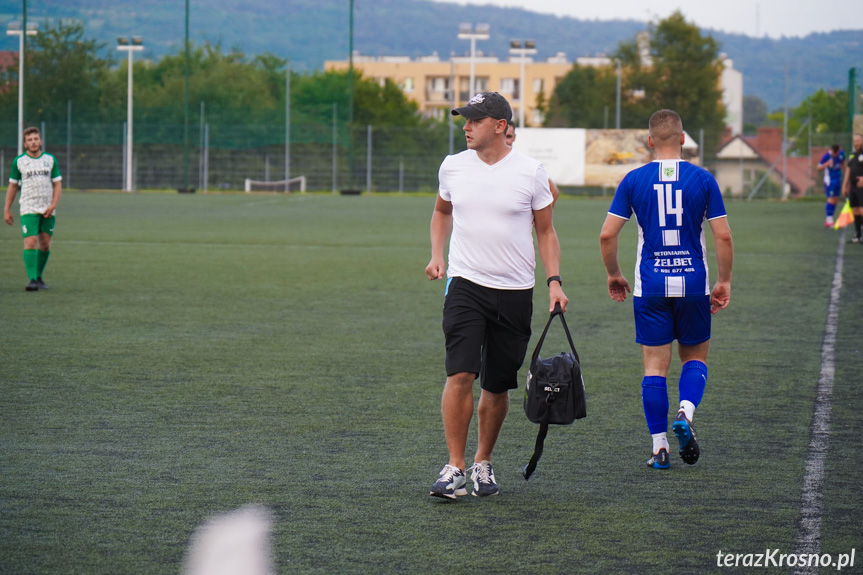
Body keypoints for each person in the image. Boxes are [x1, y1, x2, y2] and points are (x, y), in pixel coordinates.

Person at [425, 92, 568, 498]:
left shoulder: (531, 172)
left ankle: (482, 462)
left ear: (501, 126)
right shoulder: (452, 166)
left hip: (516, 291)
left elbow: (546, 231)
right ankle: (453, 467)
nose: (466, 126)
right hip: (465, 284)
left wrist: (554, 281)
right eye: (465, 120)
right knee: (460, 373)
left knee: (497, 384)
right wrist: (437, 254)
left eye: (475, 120)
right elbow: (441, 211)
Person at [599, 109, 733, 470]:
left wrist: (614, 273)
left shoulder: (634, 179)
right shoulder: (703, 179)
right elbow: (722, 235)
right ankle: (685, 414)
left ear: (649, 141)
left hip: (651, 285)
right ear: (684, 139)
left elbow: (607, 234)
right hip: (693, 283)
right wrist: (724, 281)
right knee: (695, 359)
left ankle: (660, 448)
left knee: (655, 369)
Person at [4, 127, 63, 291]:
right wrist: (6, 209)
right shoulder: (19, 161)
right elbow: (13, 186)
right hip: (28, 207)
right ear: (25, 143)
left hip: (48, 208)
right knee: (30, 241)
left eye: (36, 139)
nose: (33, 142)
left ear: (41, 141)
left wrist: (53, 205)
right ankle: (32, 280)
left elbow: (57, 184)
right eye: (30, 140)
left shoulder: (50, 160)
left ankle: (38, 277)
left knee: (45, 244)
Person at [505, 123, 560, 207]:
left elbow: (554, 191)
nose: (505, 140)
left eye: (508, 136)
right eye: (503, 136)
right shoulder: (483, 161)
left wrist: (537, 219)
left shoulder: (524, 163)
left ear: (514, 137)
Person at [816, 144, 845, 227]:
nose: (834, 155)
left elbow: (843, 164)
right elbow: (818, 168)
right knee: (831, 199)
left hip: (838, 179)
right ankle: (828, 220)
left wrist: (846, 175)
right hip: (829, 180)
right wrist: (827, 164)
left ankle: (831, 217)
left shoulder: (841, 154)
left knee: (836, 199)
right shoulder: (826, 156)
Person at [842, 134, 863, 243]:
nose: (856, 143)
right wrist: (844, 186)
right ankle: (858, 235)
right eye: (855, 141)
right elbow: (848, 170)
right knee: (855, 210)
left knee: (862, 209)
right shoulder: (852, 155)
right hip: (853, 187)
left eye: (858, 140)